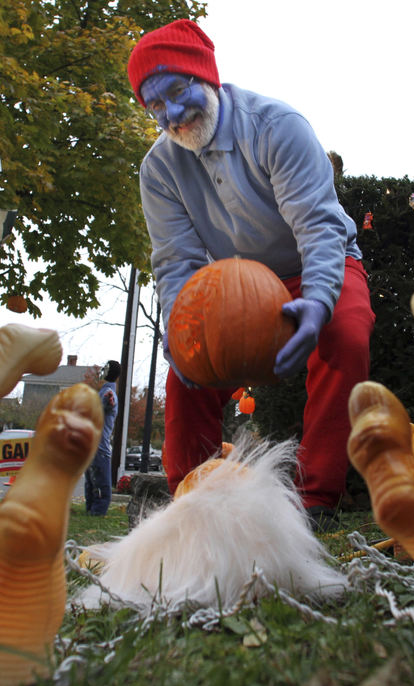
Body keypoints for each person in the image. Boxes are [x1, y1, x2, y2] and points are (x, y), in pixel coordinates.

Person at [127, 20, 375, 532]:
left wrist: (322, 298)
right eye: (155, 105)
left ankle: (315, 501)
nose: (171, 114)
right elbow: (177, 262)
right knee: (187, 371)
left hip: (315, 267)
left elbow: (318, 225)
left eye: (178, 91)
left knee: (345, 335)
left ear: (207, 77)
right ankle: (194, 501)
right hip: (230, 287)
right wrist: (179, 332)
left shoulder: (278, 127)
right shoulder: (158, 172)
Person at [85, 360, 121, 516]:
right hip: (100, 447)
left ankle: (91, 508)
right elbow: (105, 405)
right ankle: (97, 511)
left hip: (91, 444)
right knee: (102, 483)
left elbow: (105, 404)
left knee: (92, 481)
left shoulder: (107, 393)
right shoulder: (108, 392)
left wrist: (109, 402)